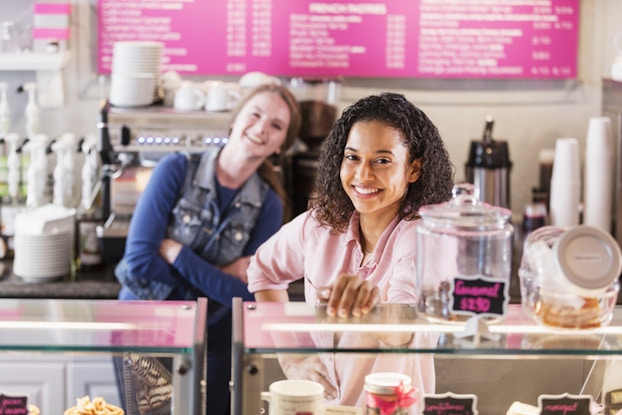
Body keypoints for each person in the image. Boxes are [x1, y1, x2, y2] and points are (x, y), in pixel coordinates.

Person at [246, 92, 454, 413]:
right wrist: (292, 357)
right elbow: (262, 271)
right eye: (353, 157)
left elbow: (403, 329)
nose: (362, 175)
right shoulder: (319, 225)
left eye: (382, 160)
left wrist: (369, 308)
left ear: (413, 169)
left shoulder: (425, 236)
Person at [114, 83, 302, 415]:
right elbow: (139, 261)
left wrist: (178, 255)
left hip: (213, 336)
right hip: (146, 324)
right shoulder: (176, 169)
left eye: (276, 126)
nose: (261, 128)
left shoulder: (269, 205)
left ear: (280, 146)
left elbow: (248, 293)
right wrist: (219, 277)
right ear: (234, 120)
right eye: (255, 115)